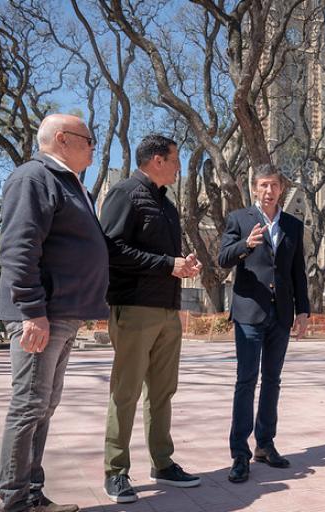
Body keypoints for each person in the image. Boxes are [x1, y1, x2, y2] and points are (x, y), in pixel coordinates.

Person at [0, 114, 109, 512]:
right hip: (41, 315)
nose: (94, 147)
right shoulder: (35, 177)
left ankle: (31, 494)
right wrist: (31, 311)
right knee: (28, 406)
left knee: (43, 407)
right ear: (63, 138)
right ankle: (15, 502)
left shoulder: (69, 182)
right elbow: (18, 248)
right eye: (89, 140)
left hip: (62, 315)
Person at [99, 135, 203, 503]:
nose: (179, 167)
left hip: (167, 309)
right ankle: (116, 470)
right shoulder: (125, 193)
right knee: (126, 391)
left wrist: (182, 265)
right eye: (176, 160)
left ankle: (163, 462)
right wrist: (166, 264)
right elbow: (110, 248)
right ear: (158, 160)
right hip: (134, 307)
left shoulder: (167, 205)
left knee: (162, 391)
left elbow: (163, 259)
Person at [218, 165, 310, 483]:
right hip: (249, 313)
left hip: (281, 314)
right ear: (255, 188)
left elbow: (298, 271)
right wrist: (247, 245)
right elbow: (223, 258)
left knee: (273, 381)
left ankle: (265, 444)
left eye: (273, 185)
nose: (268, 190)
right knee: (246, 381)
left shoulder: (293, 225)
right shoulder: (240, 219)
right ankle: (240, 454)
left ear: (281, 188)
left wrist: (303, 311)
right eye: (262, 185)